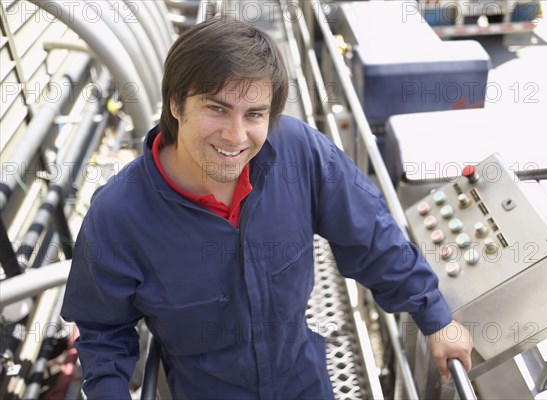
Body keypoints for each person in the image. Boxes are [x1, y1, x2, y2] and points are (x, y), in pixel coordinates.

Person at [61, 17, 473, 399]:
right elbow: (103, 330)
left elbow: (371, 236)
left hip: (302, 380)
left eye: (254, 114)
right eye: (216, 108)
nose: (235, 136)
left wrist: (434, 315)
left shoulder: (300, 154)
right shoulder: (118, 217)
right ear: (175, 104)